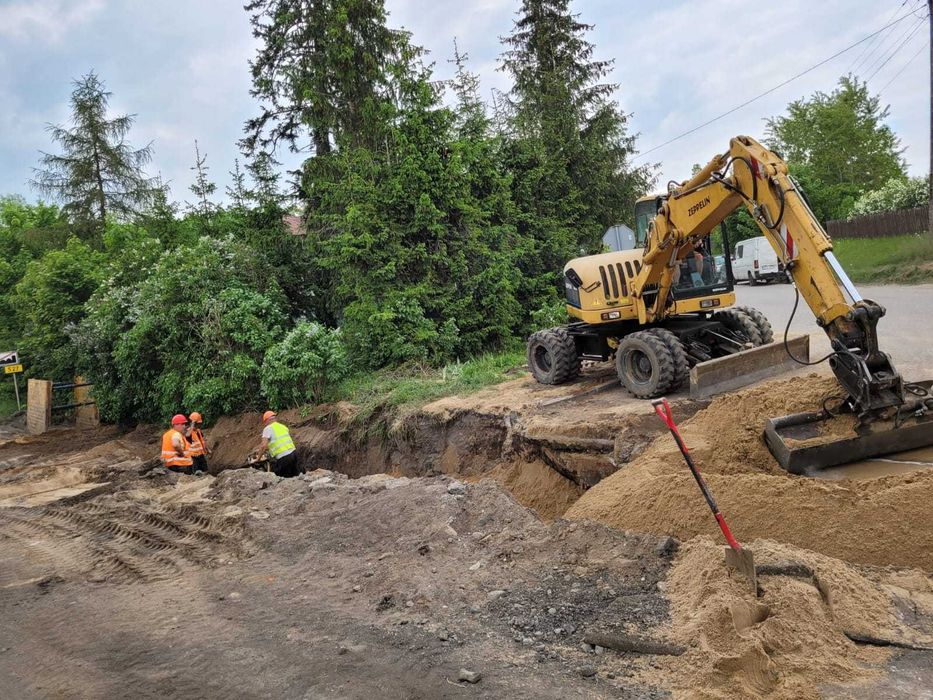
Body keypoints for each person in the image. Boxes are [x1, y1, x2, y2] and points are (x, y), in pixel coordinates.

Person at [254, 410, 300, 478]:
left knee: (283, 479)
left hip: (284, 458)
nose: (265, 424)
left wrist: (258, 459)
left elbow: (263, 446)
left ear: (267, 420)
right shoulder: (283, 426)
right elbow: (279, 441)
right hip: (294, 454)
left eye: (265, 423)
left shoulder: (268, 429)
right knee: (295, 477)